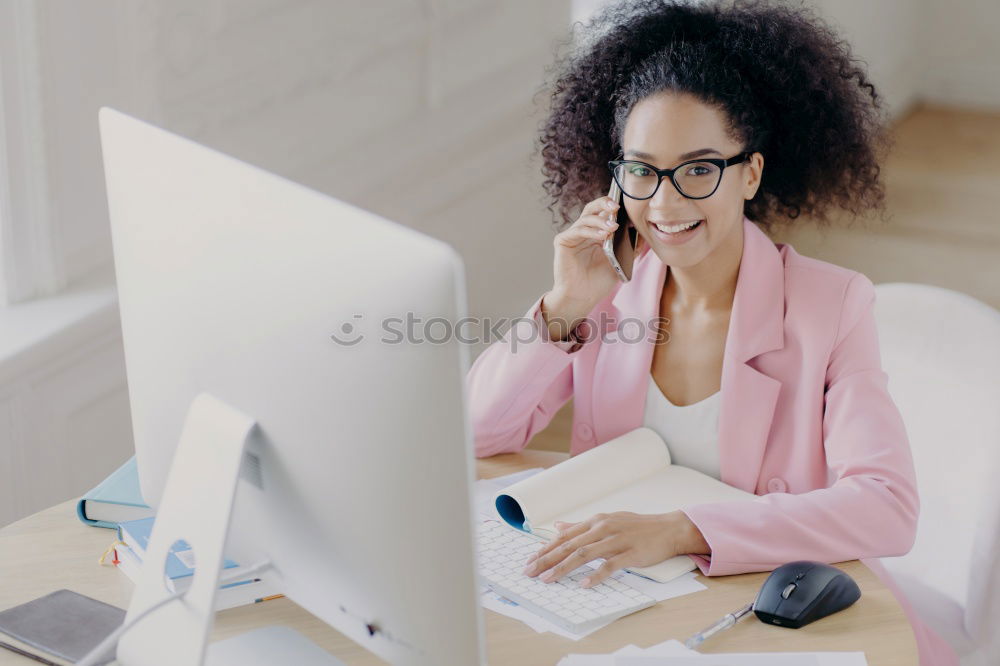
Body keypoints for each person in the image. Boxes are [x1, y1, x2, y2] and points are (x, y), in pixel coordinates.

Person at [466, 1, 957, 664]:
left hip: (768, 610)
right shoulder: (607, 291)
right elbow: (477, 435)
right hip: (628, 604)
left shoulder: (830, 306)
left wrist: (683, 529)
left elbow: (886, 507)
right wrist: (564, 305)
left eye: (699, 169)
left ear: (749, 173)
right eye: (641, 170)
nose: (664, 205)